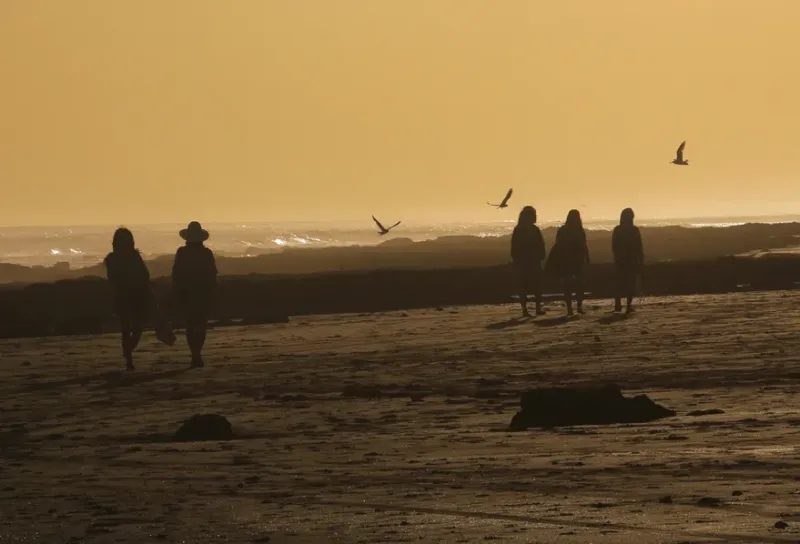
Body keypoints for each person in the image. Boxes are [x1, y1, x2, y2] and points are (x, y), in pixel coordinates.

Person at [103, 227, 152, 370]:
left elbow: (112, 279)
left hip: (125, 296)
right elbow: (145, 274)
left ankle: (128, 353)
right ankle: (128, 355)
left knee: (130, 328)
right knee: (134, 327)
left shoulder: (114, 259)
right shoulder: (128, 257)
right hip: (131, 295)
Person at [172, 221, 217, 368]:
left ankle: (195, 354)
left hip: (187, 293)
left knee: (191, 325)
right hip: (202, 293)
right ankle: (197, 353)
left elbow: (176, 274)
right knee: (200, 324)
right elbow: (212, 275)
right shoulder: (206, 253)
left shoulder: (182, 252)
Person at [547, 209, 590, 315]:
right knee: (578, 285)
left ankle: (571, 308)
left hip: (568, 260)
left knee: (569, 285)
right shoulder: (579, 230)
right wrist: (587, 259)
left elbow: (559, 245)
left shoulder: (564, 230)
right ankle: (578, 307)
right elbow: (584, 246)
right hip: (575, 260)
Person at [510, 206, 546, 317]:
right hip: (531, 261)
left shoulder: (519, 229)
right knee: (535, 286)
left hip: (524, 262)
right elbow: (540, 244)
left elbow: (514, 247)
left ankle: (525, 309)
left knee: (524, 287)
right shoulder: (533, 229)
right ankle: (536, 308)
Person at [612, 208, 644, 313]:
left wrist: (617, 256)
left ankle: (619, 304)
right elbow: (639, 246)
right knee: (629, 283)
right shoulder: (634, 230)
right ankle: (627, 305)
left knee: (621, 283)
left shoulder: (618, 229)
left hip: (622, 260)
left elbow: (614, 246)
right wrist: (641, 259)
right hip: (630, 260)